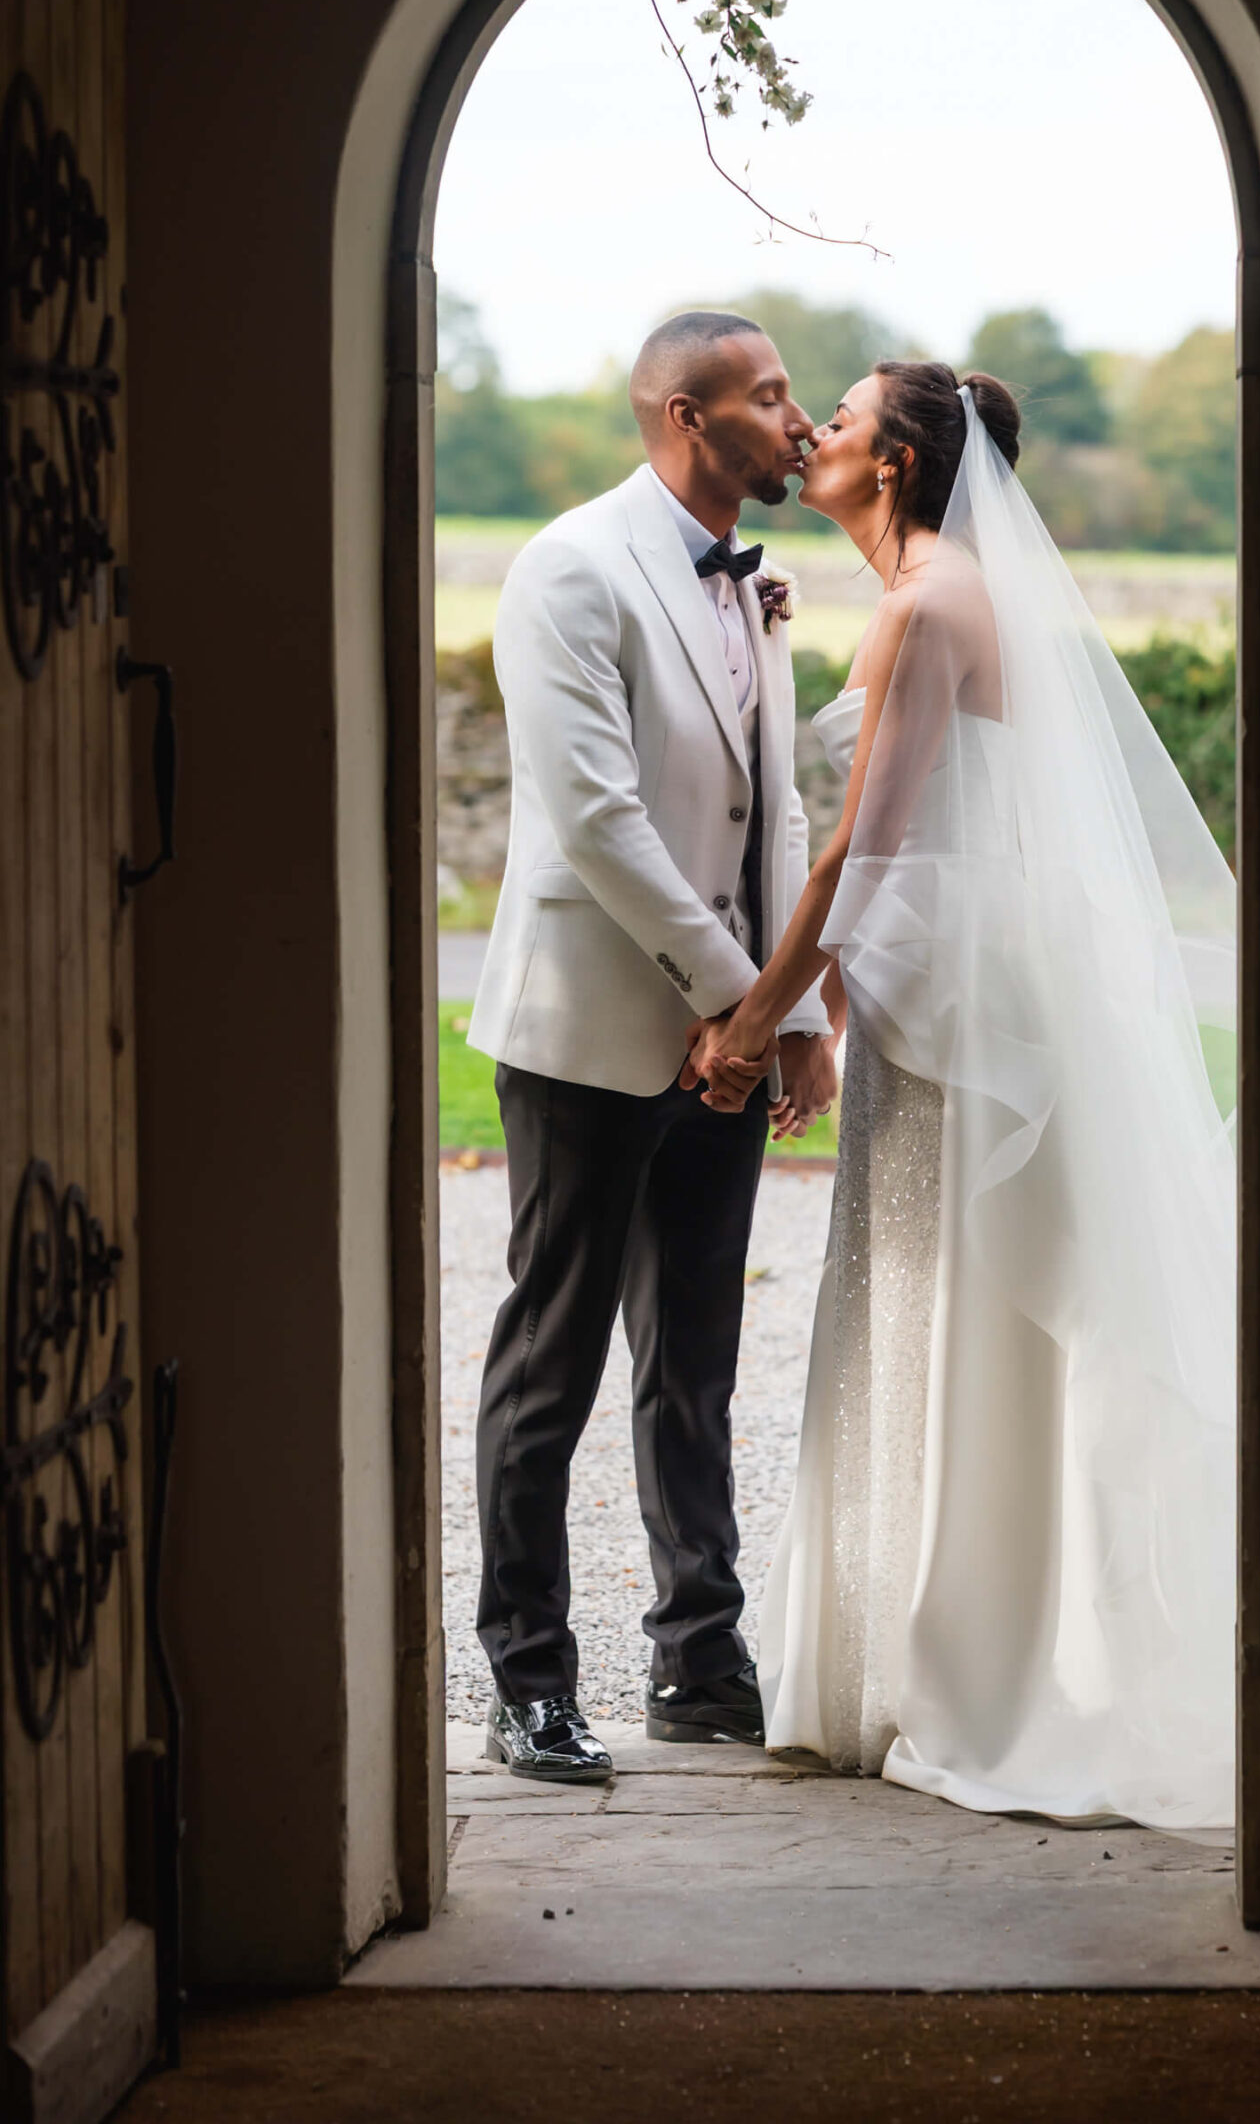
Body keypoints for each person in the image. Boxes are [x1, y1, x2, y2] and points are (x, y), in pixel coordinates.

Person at [685, 361, 1237, 1827]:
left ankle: (951, 1680)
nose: (814, 432)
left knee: (939, 1316)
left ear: (905, 460)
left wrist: (750, 1028)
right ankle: (913, 1663)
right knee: (927, 1311)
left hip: (955, 1026)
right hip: (944, 1000)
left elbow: (853, 858)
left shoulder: (931, 604)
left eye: (844, 420)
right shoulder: (920, 593)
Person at [468, 310, 837, 1783]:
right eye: (769, 396)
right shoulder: (567, 569)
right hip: (592, 1036)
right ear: (687, 416)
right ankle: (527, 1681)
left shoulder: (751, 586)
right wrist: (732, 1000)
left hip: (731, 1039)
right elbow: (596, 821)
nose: (797, 419)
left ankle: (698, 1658)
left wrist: (789, 1019)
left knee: (695, 1359)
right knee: (547, 1365)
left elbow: (781, 812)